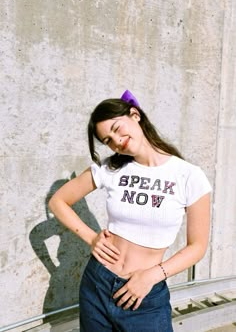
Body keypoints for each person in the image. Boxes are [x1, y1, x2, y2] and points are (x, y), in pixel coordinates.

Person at [48, 90, 212, 332]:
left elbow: (197, 247)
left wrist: (152, 276)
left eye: (116, 128)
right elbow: (58, 201)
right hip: (97, 283)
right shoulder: (111, 168)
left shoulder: (189, 176)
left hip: (144, 294)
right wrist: (91, 237)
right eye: (107, 141)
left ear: (134, 115)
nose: (116, 141)